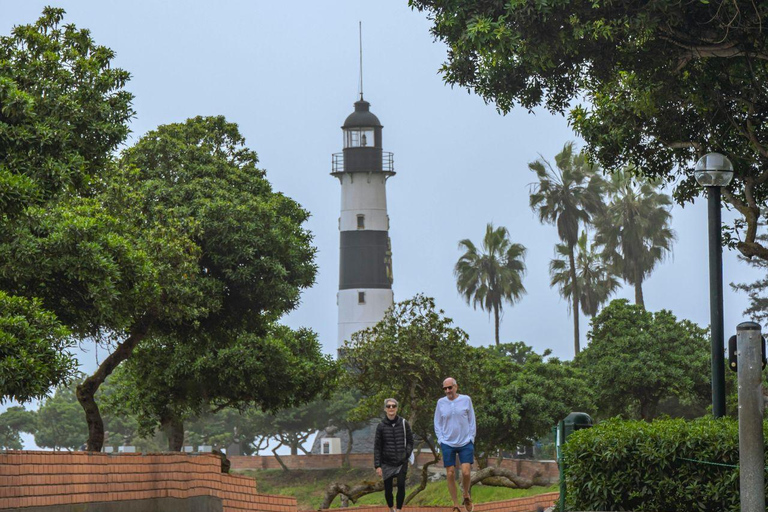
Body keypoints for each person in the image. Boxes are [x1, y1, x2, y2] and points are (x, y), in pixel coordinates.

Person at [434, 377, 476, 512]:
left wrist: (471, 438)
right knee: (450, 473)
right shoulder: (440, 403)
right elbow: (437, 423)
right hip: (447, 442)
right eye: (445, 388)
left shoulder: (466, 400)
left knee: (466, 472)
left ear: (456, 387)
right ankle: (456, 504)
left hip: (465, 441)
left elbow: (472, 420)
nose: (447, 391)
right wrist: (441, 439)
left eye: (450, 387)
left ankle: (465, 495)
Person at [374, 398, 414, 512]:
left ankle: (399, 509)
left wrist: (406, 454)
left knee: (401, 485)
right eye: (388, 406)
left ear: (397, 408)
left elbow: (411, 441)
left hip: (401, 462)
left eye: (393, 406)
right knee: (388, 490)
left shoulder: (403, 423)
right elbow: (377, 447)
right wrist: (377, 465)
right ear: (385, 409)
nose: (391, 408)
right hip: (386, 462)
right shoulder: (381, 426)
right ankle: (391, 508)